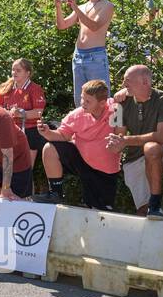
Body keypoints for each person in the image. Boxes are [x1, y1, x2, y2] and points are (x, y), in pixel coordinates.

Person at [32, 80, 123, 210]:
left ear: (102, 103)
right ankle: (55, 193)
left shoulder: (116, 109)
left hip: (106, 171)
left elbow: (132, 94)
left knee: (102, 210)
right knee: (49, 147)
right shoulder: (76, 115)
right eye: (82, 99)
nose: (82, 104)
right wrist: (47, 132)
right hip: (82, 162)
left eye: (88, 101)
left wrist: (125, 91)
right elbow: (63, 136)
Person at [110, 65, 163, 218]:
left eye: (128, 81)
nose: (124, 85)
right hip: (134, 159)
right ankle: (152, 212)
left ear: (145, 82)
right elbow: (118, 138)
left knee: (151, 148)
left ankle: (155, 203)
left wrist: (125, 140)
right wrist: (115, 144)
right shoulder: (120, 103)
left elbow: (162, 138)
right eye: (124, 81)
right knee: (143, 212)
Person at [56, 0, 115, 106]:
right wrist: (58, 7)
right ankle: (83, 127)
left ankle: (103, 127)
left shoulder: (107, 6)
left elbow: (94, 26)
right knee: (81, 101)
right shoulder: (82, 7)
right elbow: (62, 25)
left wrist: (75, 8)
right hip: (78, 57)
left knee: (100, 100)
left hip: (96, 57)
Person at [0, 58, 47, 170]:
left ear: (28, 73)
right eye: (13, 70)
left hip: (29, 131)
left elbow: (39, 112)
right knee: (7, 167)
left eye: (18, 70)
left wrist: (21, 113)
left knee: (26, 168)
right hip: (9, 129)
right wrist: (7, 113)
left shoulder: (35, 88)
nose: (14, 73)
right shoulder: (5, 88)